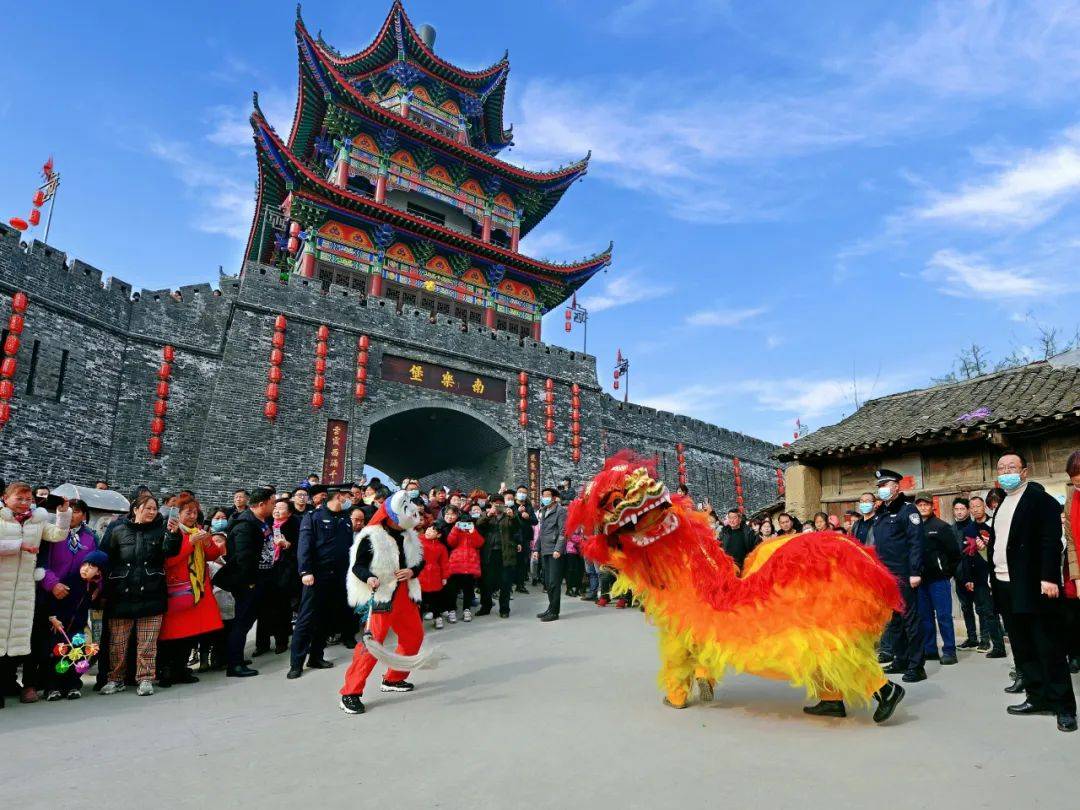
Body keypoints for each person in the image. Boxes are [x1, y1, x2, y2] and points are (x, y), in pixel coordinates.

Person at [988, 451, 1076, 733]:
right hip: (1005, 585)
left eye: (1011, 467)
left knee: (1048, 646)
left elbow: (1052, 541)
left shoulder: (1041, 501)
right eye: (1001, 468)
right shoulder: (1002, 503)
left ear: (1024, 471)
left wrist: (1049, 577)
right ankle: (1037, 697)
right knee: (1023, 646)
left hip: (1033, 585)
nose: (1006, 472)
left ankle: (1063, 706)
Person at [339, 491, 425, 715]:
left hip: (405, 594)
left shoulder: (409, 535)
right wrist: (369, 577)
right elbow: (357, 566)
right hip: (382, 595)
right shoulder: (371, 536)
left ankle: (394, 678)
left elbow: (419, 562)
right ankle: (350, 692)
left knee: (413, 637)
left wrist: (412, 571)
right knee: (372, 644)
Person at [99, 491, 179, 696]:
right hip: (121, 592)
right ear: (135, 509)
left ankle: (145, 678)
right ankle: (115, 678)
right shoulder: (117, 530)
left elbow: (170, 552)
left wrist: (173, 534)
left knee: (147, 642)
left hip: (151, 591)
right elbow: (106, 556)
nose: (152, 512)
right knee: (118, 642)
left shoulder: (161, 530)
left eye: (154, 508)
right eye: (147, 508)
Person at [288, 486, 355, 679]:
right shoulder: (314, 517)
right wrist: (305, 570)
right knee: (306, 619)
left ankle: (316, 656)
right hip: (316, 575)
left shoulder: (345, 519)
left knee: (325, 618)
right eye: (347, 496)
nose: (349, 500)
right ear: (339, 496)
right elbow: (304, 545)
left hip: (337, 577)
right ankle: (296, 663)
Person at [158, 493, 224, 686]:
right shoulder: (172, 531)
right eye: (188, 512)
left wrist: (206, 542)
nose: (193, 516)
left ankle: (181, 669)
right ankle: (165, 671)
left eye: (195, 512)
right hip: (177, 591)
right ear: (178, 514)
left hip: (197, 590)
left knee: (189, 635)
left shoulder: (199, 530)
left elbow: (212, 555)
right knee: (170, 637)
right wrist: (191, 543)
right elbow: (168, 561)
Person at [214, 486, 276, 678]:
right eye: (272, 503)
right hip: (248, 583)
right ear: (261, 504)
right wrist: (250, 583)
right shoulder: (245, 526)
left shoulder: (262, 522)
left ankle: (236, 657)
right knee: (241, 623)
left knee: (245, 622)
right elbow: (243, 559)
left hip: (260, 580)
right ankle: (234, 664)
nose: (275, 506)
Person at [873, 469, 927, 684]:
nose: (882, 489)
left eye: (885, 485)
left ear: (896, 486)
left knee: (910, 619)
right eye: (879, 486)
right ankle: (900, 658)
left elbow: (916, 543)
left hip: (904, 574)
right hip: (885, 575)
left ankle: (916, 665)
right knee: (894, 620)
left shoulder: (908, 511)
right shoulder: (881, 512)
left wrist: (915, 571)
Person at [953, 497, 1005, 656]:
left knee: (999, 610)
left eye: (978, 506)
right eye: (972, 507)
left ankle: (999, 644)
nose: (975, 509)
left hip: (997, 573)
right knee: (987, 611)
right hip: (978, 577)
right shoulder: (969, 529)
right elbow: (967, 555)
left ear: (984, 507)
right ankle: (998, 647)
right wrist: (968, 578)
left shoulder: (995, 523)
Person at [913, 493, 960, 666]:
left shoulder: (941, 526)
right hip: (920, 580)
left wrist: (946, 572)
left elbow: (955, 553)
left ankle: (949, 650)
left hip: (939, 580)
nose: (923, 507)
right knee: (925, 617)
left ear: (932, 506)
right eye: (919, 505)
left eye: (926, 504)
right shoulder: (912, 527)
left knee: (943, 616)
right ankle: (930, 649)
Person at [254, 498, 298, 657]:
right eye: (276, 507)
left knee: (281, 608)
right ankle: (262, 644)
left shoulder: (294, 526)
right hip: (265, 570)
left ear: (290, 512)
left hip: (283, 572)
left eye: (281, 508)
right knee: (263, 610)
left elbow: (299, 550)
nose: (277, 510)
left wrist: (287, 545)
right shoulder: (266, 524)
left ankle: (281, 642)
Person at [479, 496, 521, 618]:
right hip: (489, 553)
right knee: (486, 583)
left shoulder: (509, 515)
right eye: (495, 504)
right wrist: (488, 515)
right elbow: (479, 525)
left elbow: (517, 527)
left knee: (505, 583)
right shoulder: (486, 514)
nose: (498, 506)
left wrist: (513, 516)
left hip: (505, 553)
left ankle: (504, 609)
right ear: (491, 504)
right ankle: (485, 606)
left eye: (500, 504)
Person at [535, 486, 567, 622]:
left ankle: (554, 612)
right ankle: (550, 608)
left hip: (555, 551)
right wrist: (536, 549)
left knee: (554, 582)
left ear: (554, 498)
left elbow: (563, 531)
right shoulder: (544, 510)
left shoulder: (560, 511)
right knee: (547, 582)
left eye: (547, 495)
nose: (545, 498)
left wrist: (558, 549)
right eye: (543, 496)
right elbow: (541, 532)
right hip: (545, 550)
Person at [446, 514, 483, 622]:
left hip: (470, 565)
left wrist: (473, 531)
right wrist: (455, 529)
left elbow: (479, 543)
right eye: (462, 523)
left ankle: (467, 610)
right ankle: (451, 611)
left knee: (468, 590)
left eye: (467, 523)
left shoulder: (473, 531)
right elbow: (450, 542)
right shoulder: (456, 530)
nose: (465, 525)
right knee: (453, 590)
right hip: (455, 564)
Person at [1063, 450, 1080, 675]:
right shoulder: (1072, 501)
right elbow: (1072, 542)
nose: (1079, 486)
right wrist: (1077, 577)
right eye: (1075, 482)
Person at [419, 521, 450, 628]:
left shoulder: (441, 547)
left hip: (435, 575)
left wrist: (444, 576)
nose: (428, 531)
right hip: (420, 574)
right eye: (428, 529)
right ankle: (418, 623)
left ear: (439, 535)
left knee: (435, 599)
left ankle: (437, 618)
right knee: (420, 601)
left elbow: (444, 563)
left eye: (432, 531)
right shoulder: (418, 541)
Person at [513, 485, 537, 593]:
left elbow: (535, 521)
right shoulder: (512, 505)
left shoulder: (528, 506)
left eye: (524, 492)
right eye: (520, 492)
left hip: (525, 538)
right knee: (513, 561)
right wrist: (518, 512)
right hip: (513, 538)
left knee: (523, 562)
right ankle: (509, 585)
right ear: (516, 493)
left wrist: (528, 517)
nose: (522, 494)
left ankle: (520, 585)